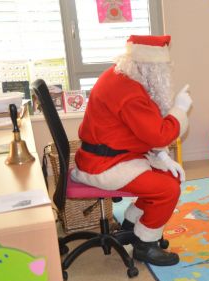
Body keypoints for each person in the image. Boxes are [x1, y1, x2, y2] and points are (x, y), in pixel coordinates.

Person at [71, 35, 192, 266]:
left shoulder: (123, 78)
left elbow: (141, 127)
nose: (165, 74)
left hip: (112, 154)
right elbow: (158, 134)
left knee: (168, 177)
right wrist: (179, 110)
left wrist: (163, 156)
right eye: (163, 68)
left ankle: (131, 225)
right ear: (150, 66)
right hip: (105, 164)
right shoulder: (128, 91)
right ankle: (145, 245)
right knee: (166, 190)